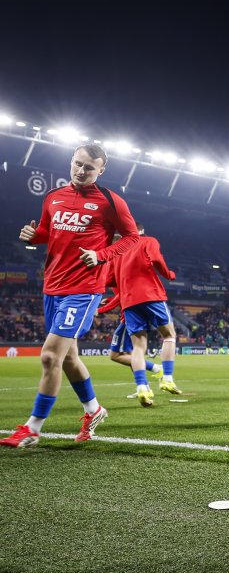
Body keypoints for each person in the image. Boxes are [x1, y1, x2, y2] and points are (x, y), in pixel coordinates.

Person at [2, 144, 139, 448]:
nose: (81, 171)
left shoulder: (110, 201)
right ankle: (94, 410)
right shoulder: (53, 197)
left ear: (101, 170)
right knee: (68, 358)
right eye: (77, 164)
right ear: (71, 162)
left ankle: (33, 429)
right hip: (52, 286)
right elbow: (48, 231)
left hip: (84, 288)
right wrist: (34, 235)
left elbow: (132, 237)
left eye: (89, 167)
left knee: (50, 355)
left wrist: (101, 255)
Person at [97, 224, 181, 406]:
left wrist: (104, 301)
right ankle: (167, 378)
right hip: (151, 295)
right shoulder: (148, 241)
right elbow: (157, 259)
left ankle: (142, 387)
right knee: (169, 336)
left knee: (138, 348)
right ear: (140, 231)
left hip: (129, 302)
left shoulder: (117, 253)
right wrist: (169, 275)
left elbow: (110, 279)